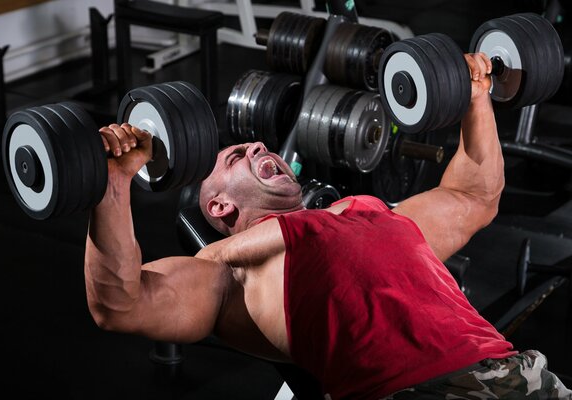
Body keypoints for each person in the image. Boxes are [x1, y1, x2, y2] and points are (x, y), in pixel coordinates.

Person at [84, 53, 572, 399]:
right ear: (220, 209)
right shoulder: (228, 271)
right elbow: (120, 303)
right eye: (237, 156)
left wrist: (476, 96)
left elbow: (475, 196)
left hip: (521, 375)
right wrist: (113, 180)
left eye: (257, 146)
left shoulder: (371, 212)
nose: (257, 147)